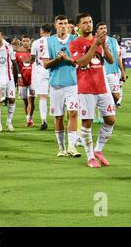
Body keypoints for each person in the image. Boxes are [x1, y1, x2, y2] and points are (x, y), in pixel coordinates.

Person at [69, 13, 116, 168]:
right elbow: (82, 62)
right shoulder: (75, 43)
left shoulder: (99, 41)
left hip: (102, 87)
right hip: (86, 88)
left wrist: (104, 46)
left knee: (110, 120)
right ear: (78, 26)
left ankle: (98, 150)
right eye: (84, 22)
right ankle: (90, 157)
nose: (88, 24)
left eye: (90, 21)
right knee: (87, 123)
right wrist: (95, 44)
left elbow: (110, 60)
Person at [43, 15, 81, 158]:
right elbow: (46, 64)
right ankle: (61, 147)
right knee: (58, 117)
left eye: (65, 23)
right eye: (60, 23)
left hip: (72, 83)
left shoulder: (74, 40)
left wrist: (67, 58)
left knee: (73, 113)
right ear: (55, 25)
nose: (64, 26)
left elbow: (78, 62)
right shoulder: (49, 42)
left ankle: (72, 146)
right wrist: (58, 59)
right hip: (56, 85)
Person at [31, 24, 52, 130]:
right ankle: (58, 117)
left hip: (41, 70)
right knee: (56, 96)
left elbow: (32, 58)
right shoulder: (54, 40)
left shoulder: (36, 42)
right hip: (53, 69)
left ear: (42, 31)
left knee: (43, 97)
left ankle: (44, 120)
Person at [15, 35, 36, 127]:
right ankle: (28, 117)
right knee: (25, 101)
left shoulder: (33, 53)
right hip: (22, 80)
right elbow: (15, 68)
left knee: (31, 99)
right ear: (21, 42)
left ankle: (29, 119)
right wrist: (16, 79)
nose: (26, 42)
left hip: (33, 80)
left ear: (30, 42)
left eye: (27, 41)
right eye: (24, 41)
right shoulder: (17, 54)